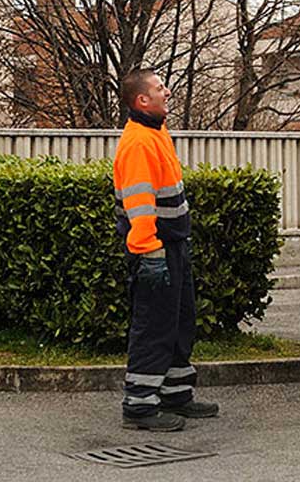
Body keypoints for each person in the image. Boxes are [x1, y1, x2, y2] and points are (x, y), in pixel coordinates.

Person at [114, 68, 219, 431]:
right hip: (154, 249)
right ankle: (140, 407)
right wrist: (149, 252)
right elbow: (139, 206)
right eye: (160, 88)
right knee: (154, 326)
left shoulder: (156, 133)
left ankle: (175, 393)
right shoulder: (140, 142)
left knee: (179, 320)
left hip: (171, 245)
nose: (168, 92)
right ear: (142, 100)